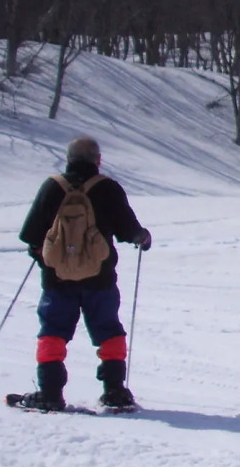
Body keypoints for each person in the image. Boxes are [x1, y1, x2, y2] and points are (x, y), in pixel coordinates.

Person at [15, 136, 151, 411]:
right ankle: (114, 391)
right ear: (98, 160)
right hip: (100, 279)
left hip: (57, 279)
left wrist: (44, 258)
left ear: (68, 159)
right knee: (109, 330)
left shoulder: (52, 187)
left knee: (53, 331)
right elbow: (129, 231)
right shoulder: (108, 188)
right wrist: (143, 237)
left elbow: (30, 234)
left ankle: (50, 393)